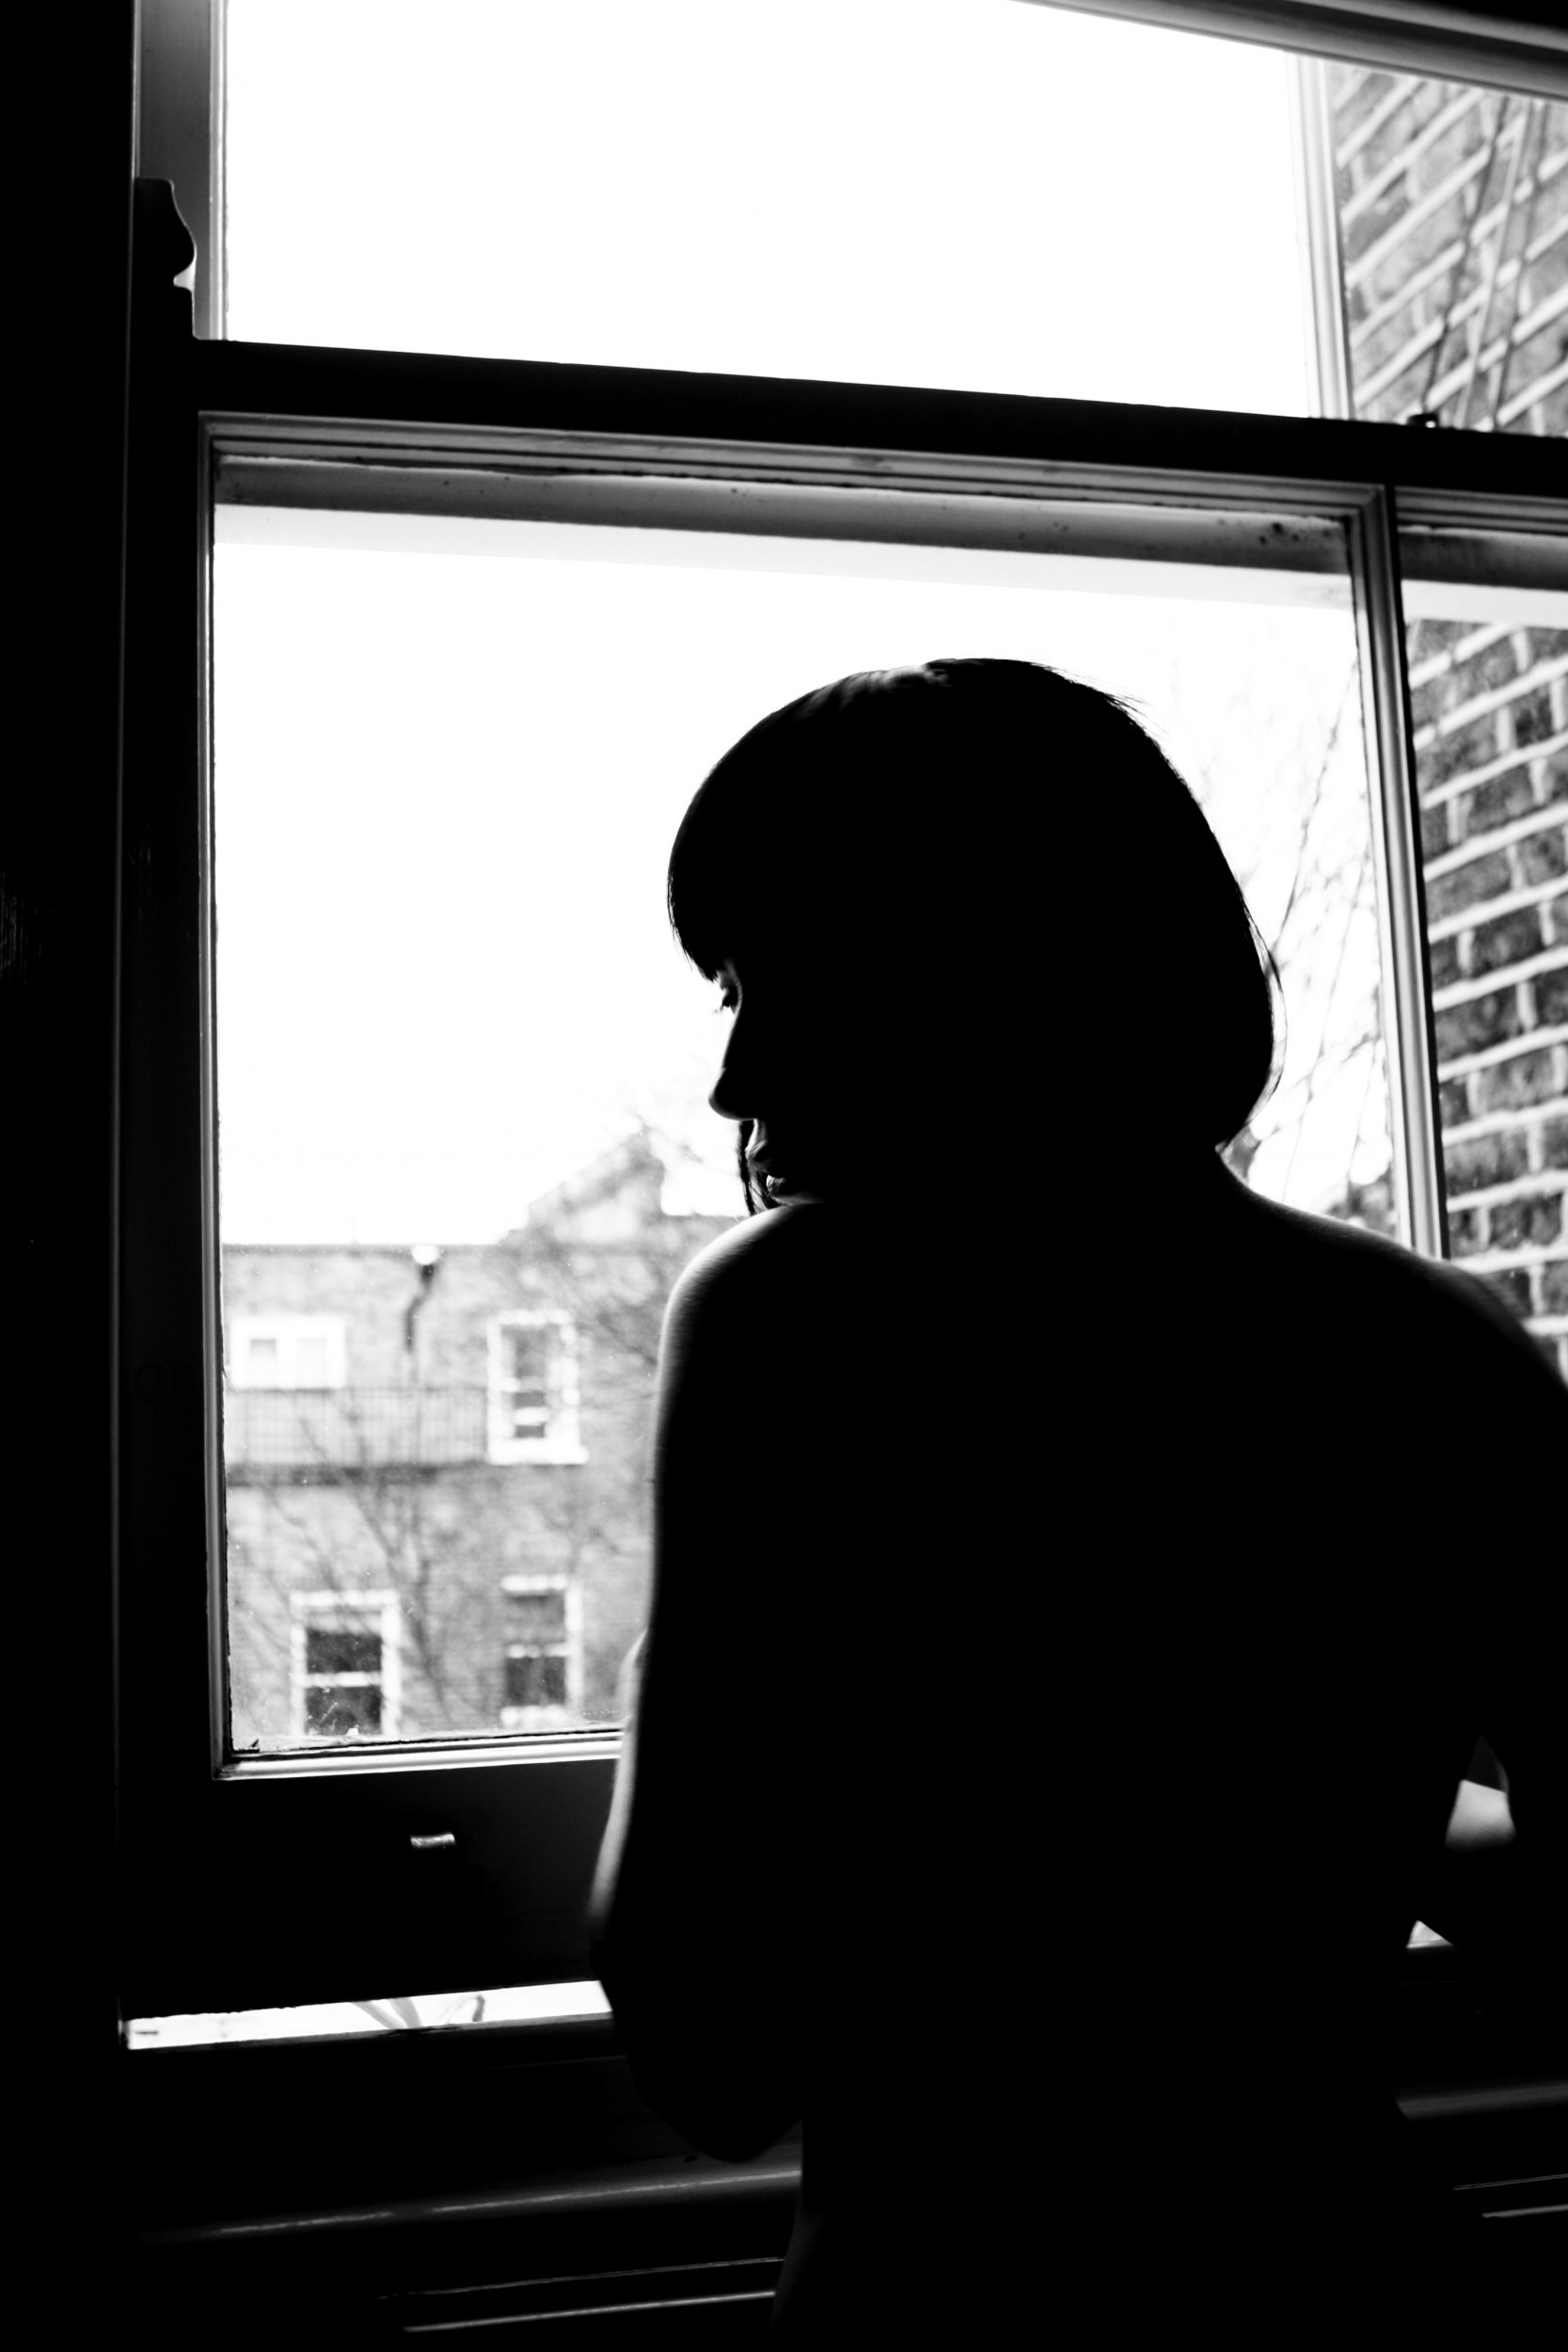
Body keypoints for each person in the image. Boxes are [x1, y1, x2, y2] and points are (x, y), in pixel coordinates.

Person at [588, 660, 1566, 2340]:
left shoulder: (787, 1320)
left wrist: (675, 1681)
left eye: (773, 984)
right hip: (1363, 2307)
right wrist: (1335, 1792)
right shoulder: (1438, 1342)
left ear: (961, 969)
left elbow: (710, 2052)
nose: (735, 1080)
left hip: (953, 2333)